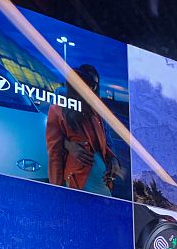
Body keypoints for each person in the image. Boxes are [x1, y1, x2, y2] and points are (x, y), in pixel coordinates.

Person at [46, 65, 123, 195]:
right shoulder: (61, 99)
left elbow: (107, 141)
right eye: (87, 82)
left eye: (94, 84)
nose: (91, 87)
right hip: (79, 178)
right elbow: (54, 146)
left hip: (102, 179)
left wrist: (114, 160)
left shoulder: (97, 109)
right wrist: (56, 192)